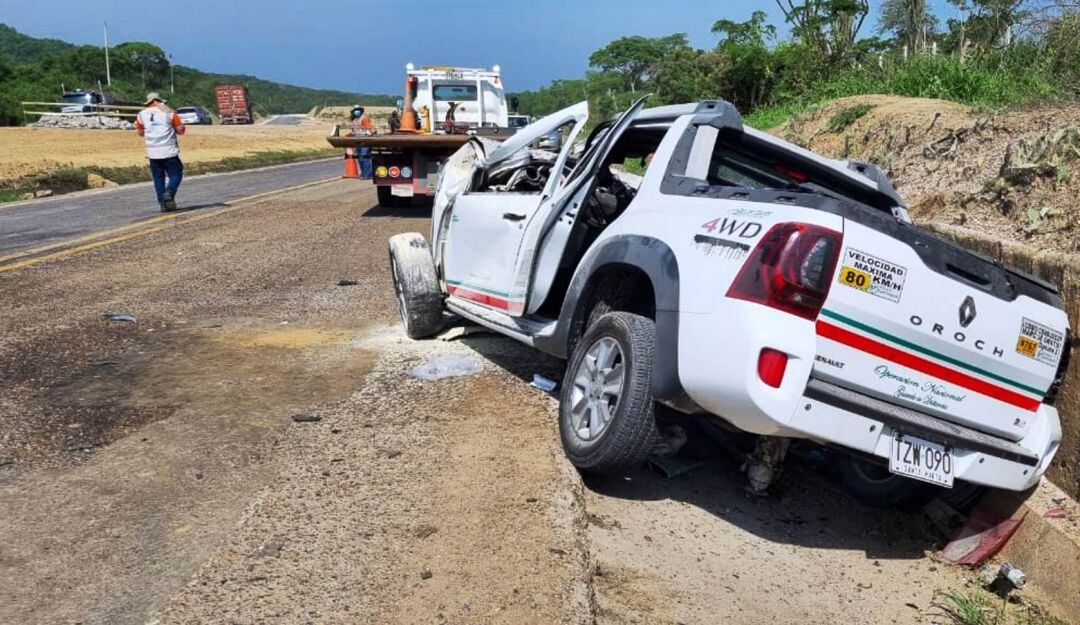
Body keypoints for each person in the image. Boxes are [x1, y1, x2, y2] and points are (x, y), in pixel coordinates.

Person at [135, 93, 186, 212]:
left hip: (153, 152)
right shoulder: (169, 113)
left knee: (158, 178)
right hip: (169, 151)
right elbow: (181, 130)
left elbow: (140, 133)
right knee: (176, 174)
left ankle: (163, 204)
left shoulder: (141, 114)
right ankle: (169, 192)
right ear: (159, 101)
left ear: (149, 102)